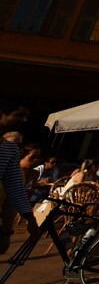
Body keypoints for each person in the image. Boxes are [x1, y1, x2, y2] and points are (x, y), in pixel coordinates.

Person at [0, 96, 37, 257]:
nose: (24, 120)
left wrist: (8, 231)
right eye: (19, 115)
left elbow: (13, 190)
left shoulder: (10, 151)